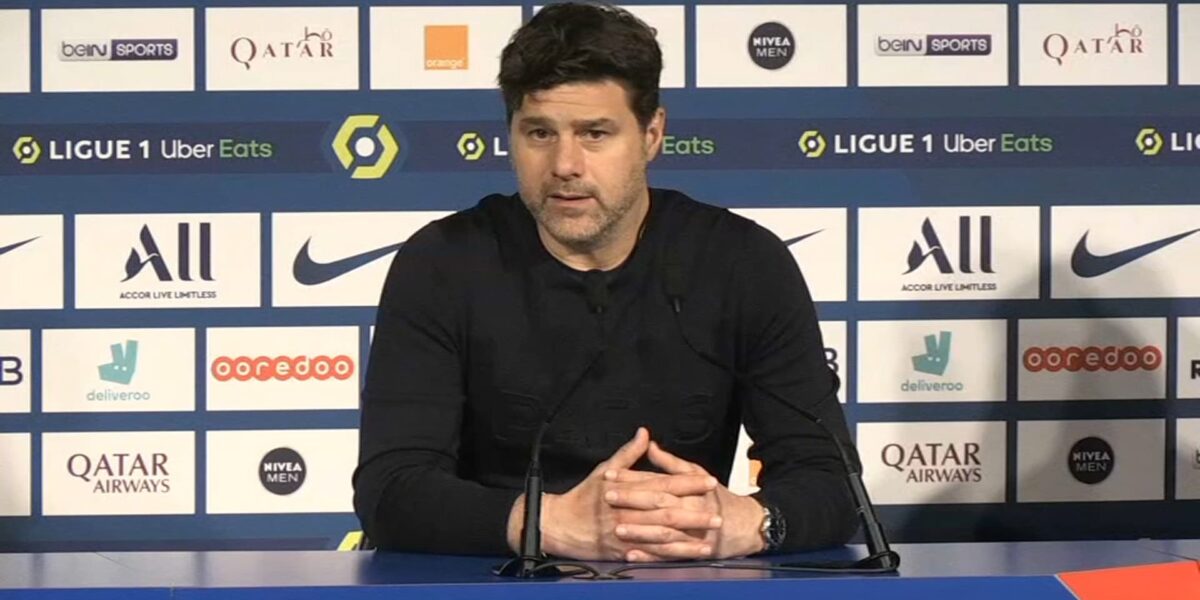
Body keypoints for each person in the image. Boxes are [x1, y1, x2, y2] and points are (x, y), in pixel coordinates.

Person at [353, 1, 858, 562]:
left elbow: (833, 484)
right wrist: (545, 523)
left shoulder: (742, 262)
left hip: (680, 576)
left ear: (652, 134)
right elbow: (390, 491)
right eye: (539, 133)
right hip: (490, 579)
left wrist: (748, 522)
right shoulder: (443, 262)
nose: (564, 164)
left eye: (595, 134)